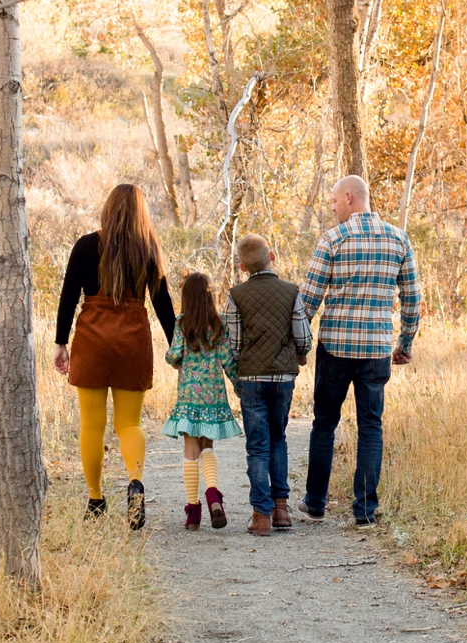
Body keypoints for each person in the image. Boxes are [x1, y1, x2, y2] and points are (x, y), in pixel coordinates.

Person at [293, 175, 419, 527]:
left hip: (335, 348)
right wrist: (404, 344)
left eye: (334, 201)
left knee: (324, 424)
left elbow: (307, 302)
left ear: (349, 198)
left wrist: (299, 347)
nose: (332, 208)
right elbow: (412, 299)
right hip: (377, 348)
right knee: (370, 426)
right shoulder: (399, 239)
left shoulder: (333, 239)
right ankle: (364, 510)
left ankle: (315, 503)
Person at [54, 182, 176, 530]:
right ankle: (135, 482)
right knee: (129, 424)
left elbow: (68, 296)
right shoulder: (149, 249)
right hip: (132, 342)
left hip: (92, 340)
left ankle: (95, 499)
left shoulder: (87, 245)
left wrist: (60, 342)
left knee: (92, 425)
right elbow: (163, 303)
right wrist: (176, 346)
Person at [224, 233, 304, 535]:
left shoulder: (236, 295)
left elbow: (234, 344)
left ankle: (261, 515)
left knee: (257, 446)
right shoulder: (291, 291)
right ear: (272, 257)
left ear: (243, 268)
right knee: (278, 438)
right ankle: (281, 508)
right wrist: (300, 354)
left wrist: (238, 377)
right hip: (283, 378)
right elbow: (303, 335)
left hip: (251, 378)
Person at [161, 272, 242, 531]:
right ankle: (212, 495)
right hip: (213, 397)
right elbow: (229, 361)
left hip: (188, 398)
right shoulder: (219, 324)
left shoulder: (181, 323)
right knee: (208, 447)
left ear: (186, 298)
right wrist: (239, 386)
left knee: (190, 451)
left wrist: (172, 358)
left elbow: (174, 355)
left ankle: (193, 513)